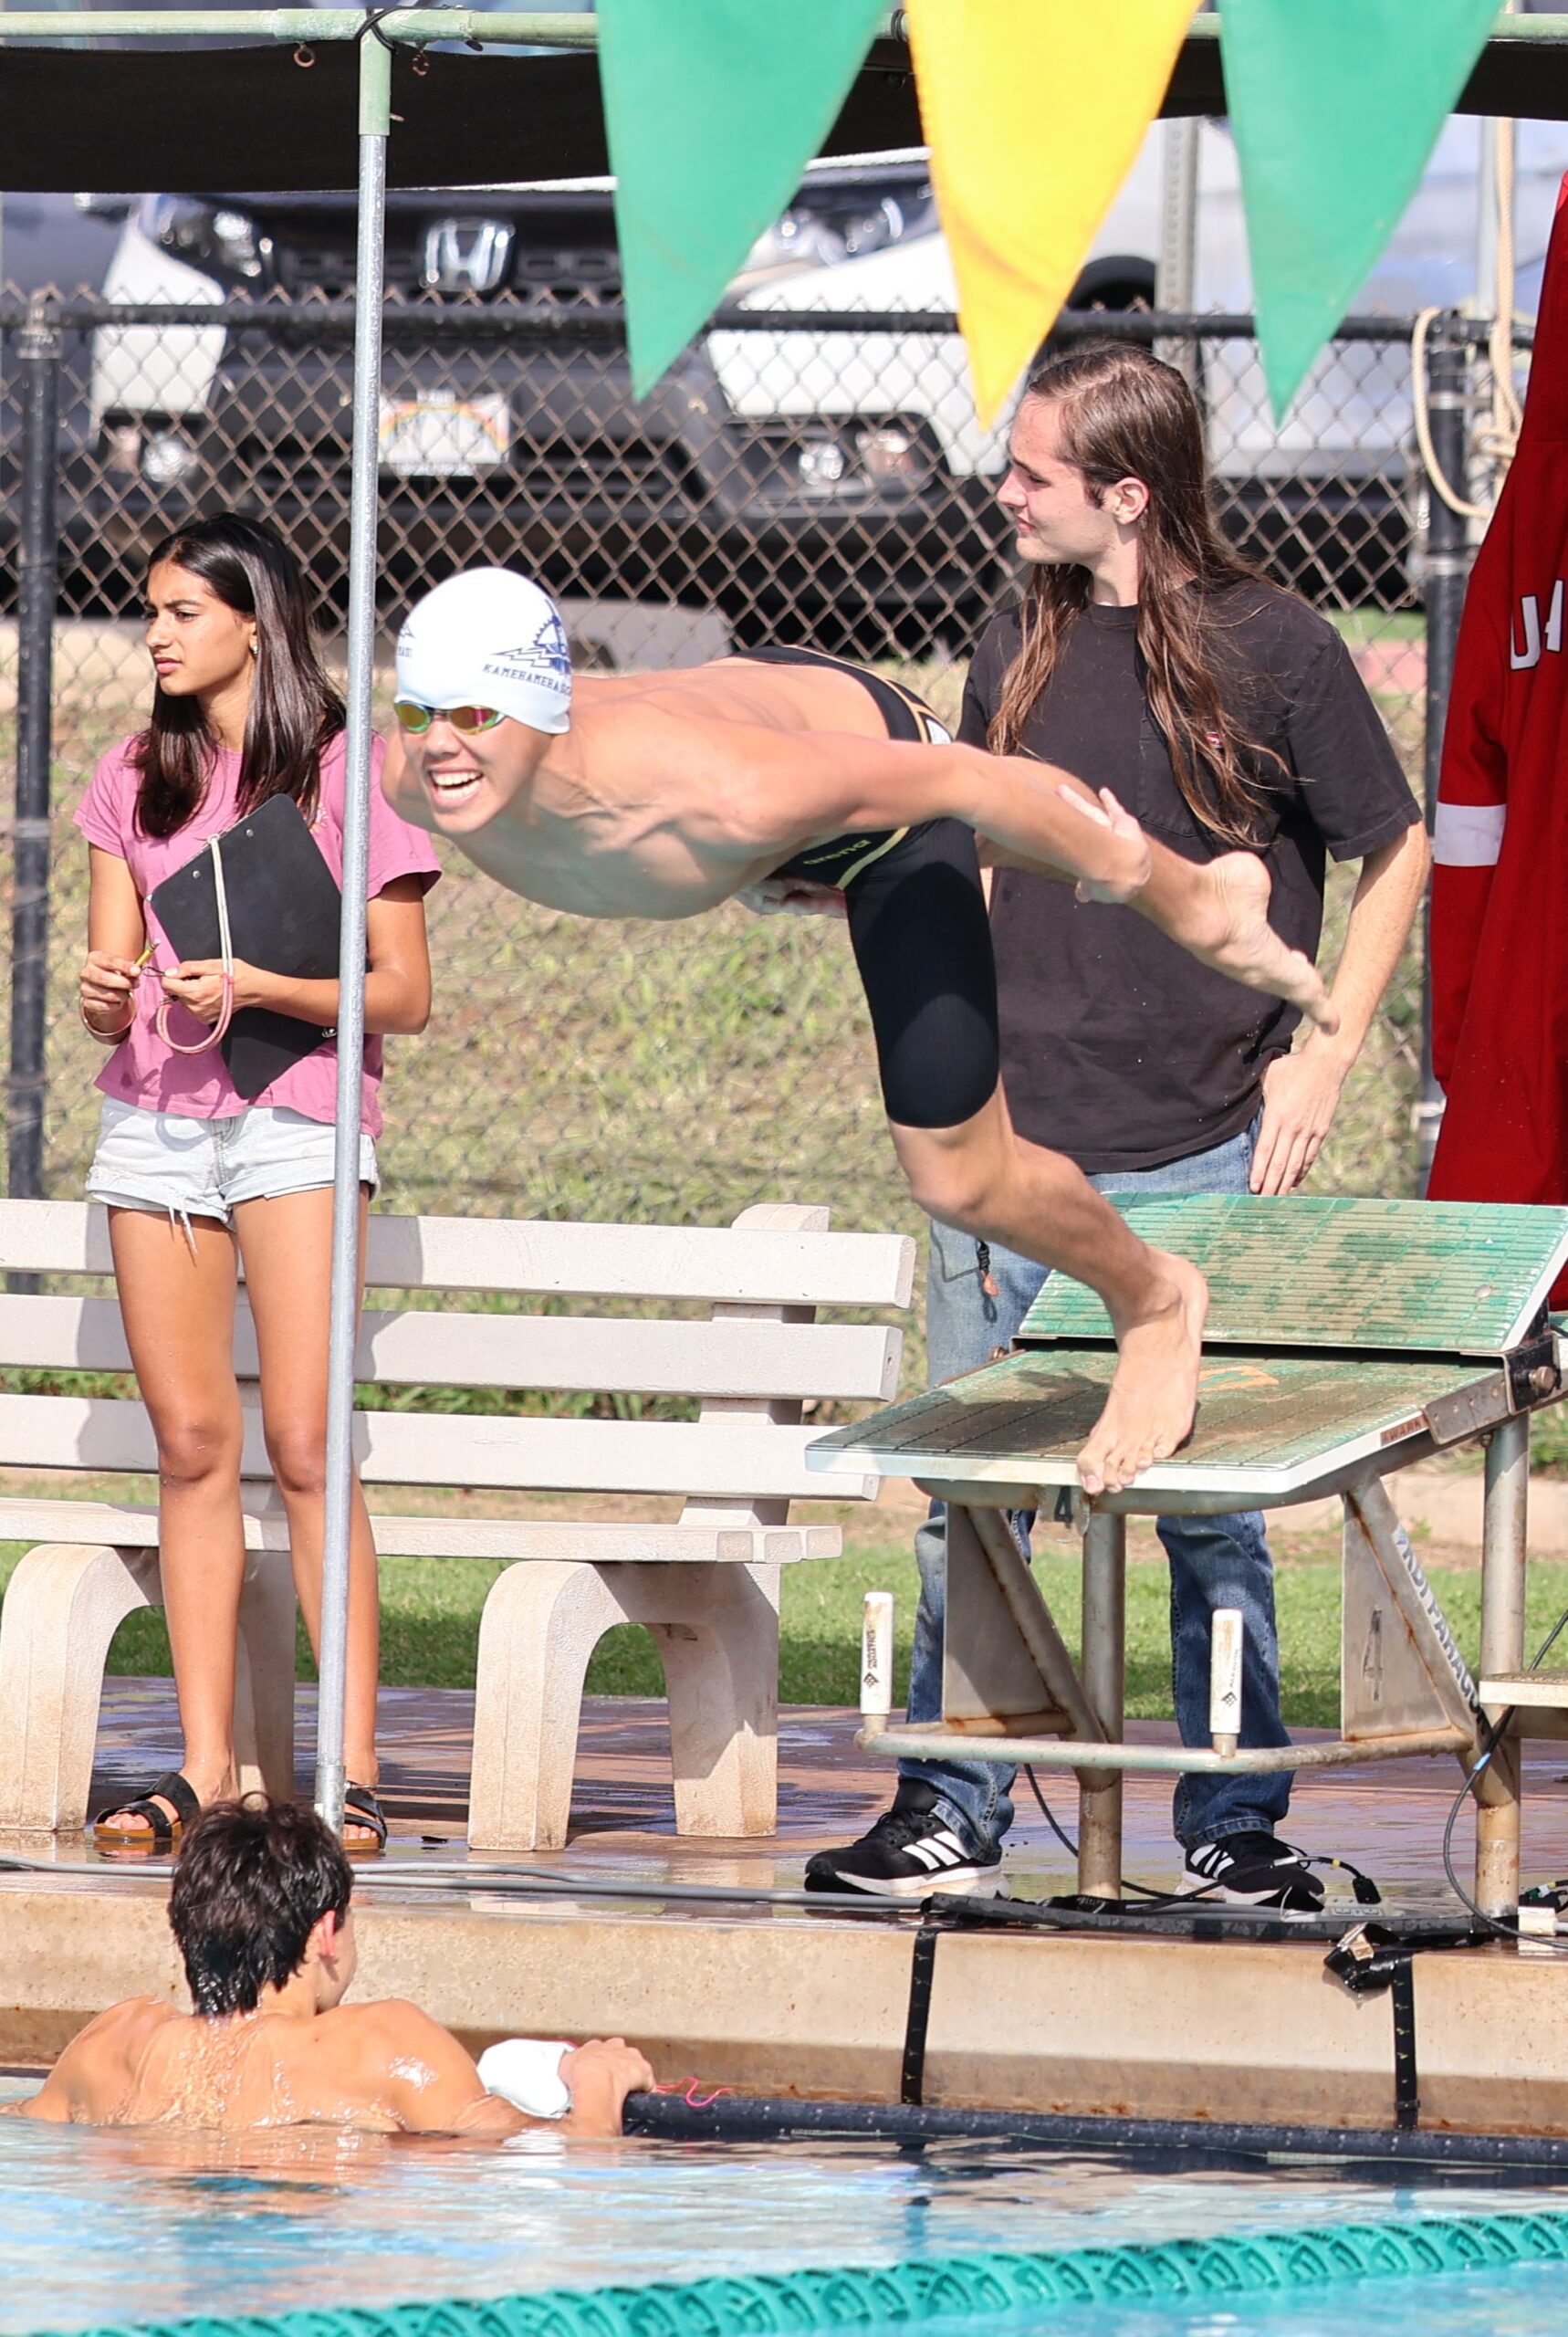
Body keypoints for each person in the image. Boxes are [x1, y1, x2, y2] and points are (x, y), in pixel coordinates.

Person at [806, 341, 1428, 1913]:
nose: (998, 490)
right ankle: (952, 1808)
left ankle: (1232, 1828)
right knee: (978, 1497)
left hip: (1203, 1133)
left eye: (1028, 471)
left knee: (1205, 1514)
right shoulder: (1013, 631)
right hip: (1017, 1144)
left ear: (1125, 494)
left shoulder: (1274, 643)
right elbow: (984, 851)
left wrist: (1322, 1055)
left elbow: (1394, 846)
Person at [382, 567, 1337, 1500]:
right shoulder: (409, 778)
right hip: (754, 742)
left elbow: (974, 781)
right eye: (421, 713)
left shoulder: (729, 793)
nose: (440, 749)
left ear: (541, 713)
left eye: (473, 717)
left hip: (864, 771)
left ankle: (1154, 1299)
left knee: (960, 1176)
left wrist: (1189, 905)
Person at [75, 514, 441, 1856]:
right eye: (151, 610)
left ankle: (349, 1769)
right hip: (158, 1135)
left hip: (298, 1120)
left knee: (301, 1442)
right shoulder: (131, 776)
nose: (157, 634)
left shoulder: (349, 771)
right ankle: (208, 1770)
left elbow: (402, 992)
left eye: (182, 611)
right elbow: (110, 998)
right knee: (191, 1447)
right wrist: (105, 992)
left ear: (254, 623)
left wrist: (262, 986)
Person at [12, 1797, 653, 2133]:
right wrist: (597, 2085)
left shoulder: (113, 2043)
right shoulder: (379, 2044)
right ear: (326, 1931)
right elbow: (568, 2166)